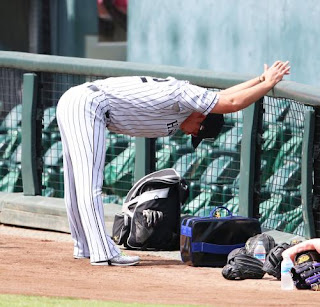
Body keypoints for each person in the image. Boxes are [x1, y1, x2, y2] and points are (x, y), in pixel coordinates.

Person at [56, 60, 290, 266]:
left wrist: (258, 79)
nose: (191, 134)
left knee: (75, 184)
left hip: (77, 101)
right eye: (198, 132)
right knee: (89, 185)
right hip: (90, 105)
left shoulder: (189, 102)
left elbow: (223, 95)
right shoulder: (184, 95)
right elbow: (231, 101)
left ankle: (84, 246)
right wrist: (268, 83)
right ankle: (102, 252)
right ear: (201, 117)